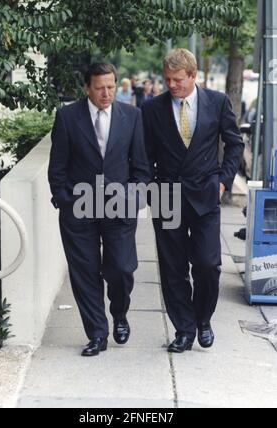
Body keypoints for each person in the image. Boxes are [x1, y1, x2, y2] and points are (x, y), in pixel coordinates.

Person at [142, 49, 244, 353]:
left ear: (193, 75)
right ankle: (184, 330)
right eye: (168, 80)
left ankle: (203, 319)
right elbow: (144, 155)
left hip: (205, 194)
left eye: (178, 80)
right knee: (173, 269)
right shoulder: (152, 109)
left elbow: (234, 143)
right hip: (166, 197)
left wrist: (223, 181)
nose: (172, 85)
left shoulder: (216, 102)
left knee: (208, 264)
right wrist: (150, 188)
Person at [48, 63, 150, 357]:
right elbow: (58, 167)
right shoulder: (67, 116)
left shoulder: (132, 116)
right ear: (87, 88)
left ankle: (119, 313)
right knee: (85, 274)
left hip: (120, 207)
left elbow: (141, 168)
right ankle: (97, 333)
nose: (106, 93)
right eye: (100, 87)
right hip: (78, 209)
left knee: (120, 269)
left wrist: (134, 197)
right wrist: (65, 200)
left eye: (111, 86)